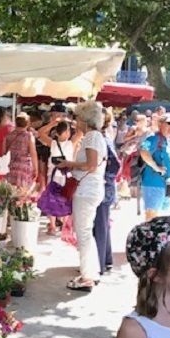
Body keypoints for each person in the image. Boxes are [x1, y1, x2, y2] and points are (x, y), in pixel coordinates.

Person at [55, 100, 107, 291]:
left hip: (86, 190)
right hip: (91, 189)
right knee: (86, 232)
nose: (75, 121)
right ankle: (91, 272)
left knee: (83, 233)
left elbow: (91, 165)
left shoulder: (92, 137)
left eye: (77, 118)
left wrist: (69, 164)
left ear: (85, 119)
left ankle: (87, 277)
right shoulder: (96, 136)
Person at [139, 112, 170, 219]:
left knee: (161, 217)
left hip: (166, 186)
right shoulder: (153, 138)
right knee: (151, 217)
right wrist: (156, 167)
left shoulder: (168, 141)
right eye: (169, 124)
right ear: (160, 124)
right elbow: (144, 151)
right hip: (153, 183)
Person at [94, 109, 120, 275]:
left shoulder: (102, 139)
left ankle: (99, 263)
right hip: (106, 186)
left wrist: (104, 177)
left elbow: (115, 164)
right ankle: (106, 259)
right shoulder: (105, 138)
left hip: (103, 187)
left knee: (100, 226)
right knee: (103, 225)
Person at [38, 119, 75, 235]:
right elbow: (81, 132)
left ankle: (53, 226)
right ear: (67, 132)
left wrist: (52, 123)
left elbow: (40, 133)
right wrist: (73, 122)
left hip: (53, 175)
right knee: (66, 200)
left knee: (52, 199)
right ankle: (64, 226)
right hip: (66, 176)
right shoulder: (71, 143)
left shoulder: (53, 143)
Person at [4, 112, 38, 194]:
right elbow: (33, 154)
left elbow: (4, 152)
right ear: (28, 123)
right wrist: (36, 169)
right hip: (24, 168)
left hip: (11, 167)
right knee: (21, 194)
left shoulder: (9, 135)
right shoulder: (29, 136)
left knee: (10, 193)